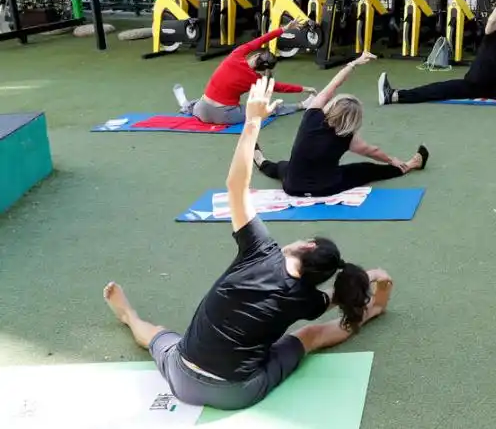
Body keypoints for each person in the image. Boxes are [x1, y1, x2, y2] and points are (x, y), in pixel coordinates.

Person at [103, 76, 394, 410]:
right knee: (309, 336)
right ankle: (375, 310)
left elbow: (236, 186)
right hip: (236, 393)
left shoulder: (259, 249)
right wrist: (372, 279)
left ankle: (129, 316)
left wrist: (253, 121)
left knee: (158, 334)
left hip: (181, 376)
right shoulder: (309, 300)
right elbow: (339, 299)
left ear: (308, 246)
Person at [255, 51, 429, 197]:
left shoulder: (312, 115)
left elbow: (334, 84)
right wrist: (392, 159)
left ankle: (260, 160)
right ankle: (409, 165)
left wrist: (354, 64)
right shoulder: (347, 137)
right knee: (366, 170)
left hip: (292, 187)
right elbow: (372, 151)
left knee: (283, 167)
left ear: (333, 106)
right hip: (325, 188)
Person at [173, 21, 317, 125]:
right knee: (265, 108)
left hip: (201, 111)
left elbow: (262, 39)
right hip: (225, 116)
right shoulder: (256, 79)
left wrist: (284, 28)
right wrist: (305, 88)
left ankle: (187, 105)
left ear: (256, 55)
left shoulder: (236, 54)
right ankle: (302, 105)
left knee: (207, 97)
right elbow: (279, 87)